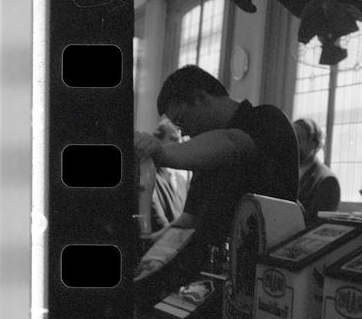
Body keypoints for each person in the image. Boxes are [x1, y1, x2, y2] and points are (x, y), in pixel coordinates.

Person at [134, 66, 299, 285]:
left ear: (202, 97)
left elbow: (232, 143)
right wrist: (144, 245)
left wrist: (160, 152)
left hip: (260, 279)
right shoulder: (205, 154)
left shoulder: (265, 119)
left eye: (182, 120)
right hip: (210, 278)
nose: (183, 133)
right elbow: (187, 222)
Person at [293, 118, 341, 223]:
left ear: (314, 144)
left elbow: (318, 227)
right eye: (292, 139)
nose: (293, 144)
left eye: (299, 139)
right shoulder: (287, 173)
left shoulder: (328, 181)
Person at [149, 118, 191, 236]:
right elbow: (158, 219)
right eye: (173, 139)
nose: (179, 143)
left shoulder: (181, 177)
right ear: (157, 141)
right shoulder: (149, 176)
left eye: (179, 139)